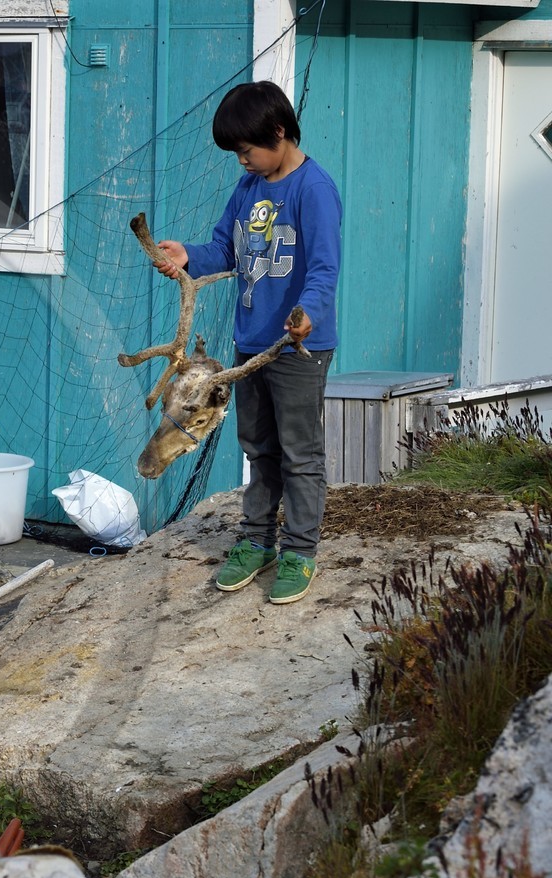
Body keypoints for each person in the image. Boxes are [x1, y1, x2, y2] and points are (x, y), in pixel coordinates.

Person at [152, 80, 341, 605]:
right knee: (258, 448)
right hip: (248, 348)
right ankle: (257, 540)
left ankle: (299, 551)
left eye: (246, 150)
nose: (242, 161)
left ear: (278, 132)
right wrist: (190, 256)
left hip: (299, 349)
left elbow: (324, 269)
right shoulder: (248, 189)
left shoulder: (314, 190)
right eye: (237, 153)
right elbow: (223, 249)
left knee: (299, 453)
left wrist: (307, 313)